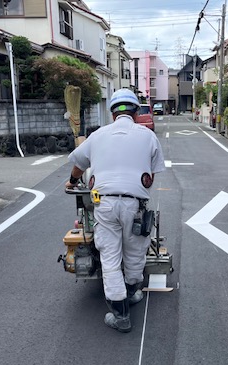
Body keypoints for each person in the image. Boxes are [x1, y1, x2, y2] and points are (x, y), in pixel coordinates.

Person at [65, 89, 166, 333]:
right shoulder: (148, 136)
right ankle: (131, 293)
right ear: (136, 112)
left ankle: (120, 315)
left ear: (112, 114)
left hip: (104, 204)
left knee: (110, 256)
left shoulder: (97, 135)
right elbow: (150, 177)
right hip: (135, 205)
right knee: (135, 252)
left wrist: (72, 181)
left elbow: (78, 164)